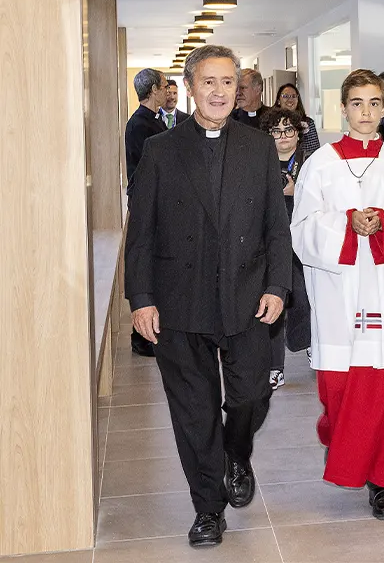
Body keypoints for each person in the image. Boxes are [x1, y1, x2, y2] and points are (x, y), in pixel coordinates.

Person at [124, 45, 292, 547]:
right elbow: (142, 232)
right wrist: (141, 298)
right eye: (209, 82)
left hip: (246, 298)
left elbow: (275, 227)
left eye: (227, 82)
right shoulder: (161, 150)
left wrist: (277, 285)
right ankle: (207, 508)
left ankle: (236, 454)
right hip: (180, 301)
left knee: (249, 396)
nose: (219, 91)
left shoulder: (258, 146)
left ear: (236, 88)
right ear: (191, 87)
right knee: (193, 411)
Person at [291, 69, 384, 520]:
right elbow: (302, 228)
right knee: (341, 387)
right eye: (357, 103)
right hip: (338, 293)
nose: (366, 112)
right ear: (344, 108)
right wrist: (347, 224)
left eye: (374, 103)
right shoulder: (321, 164)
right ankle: (346, 445)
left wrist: (383, 225)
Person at [259, 106, 313, 389]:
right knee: (272, 303)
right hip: (270, 243)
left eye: (288, 130)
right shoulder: (259, 161)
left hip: (303, 241)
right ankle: (274, 367)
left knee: (304, 298)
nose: (283, 136)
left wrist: (297, 191)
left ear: (298, 133)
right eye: (276, 131)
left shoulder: (311, 163)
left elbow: (324, 200)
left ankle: (306, 342)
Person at [124, 67, 168, 357]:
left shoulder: (151, 121)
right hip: (149, 205)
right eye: (164, 86)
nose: (167, 91)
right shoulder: (141, 125)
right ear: (152, 90)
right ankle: (143, 336)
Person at [275, 82, 322, 157]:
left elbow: (315, 152)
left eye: (293, 96)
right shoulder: (271, 122)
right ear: (278, 101)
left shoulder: (308, 123)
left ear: (298, 100)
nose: (290, 100)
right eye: (285, 96)